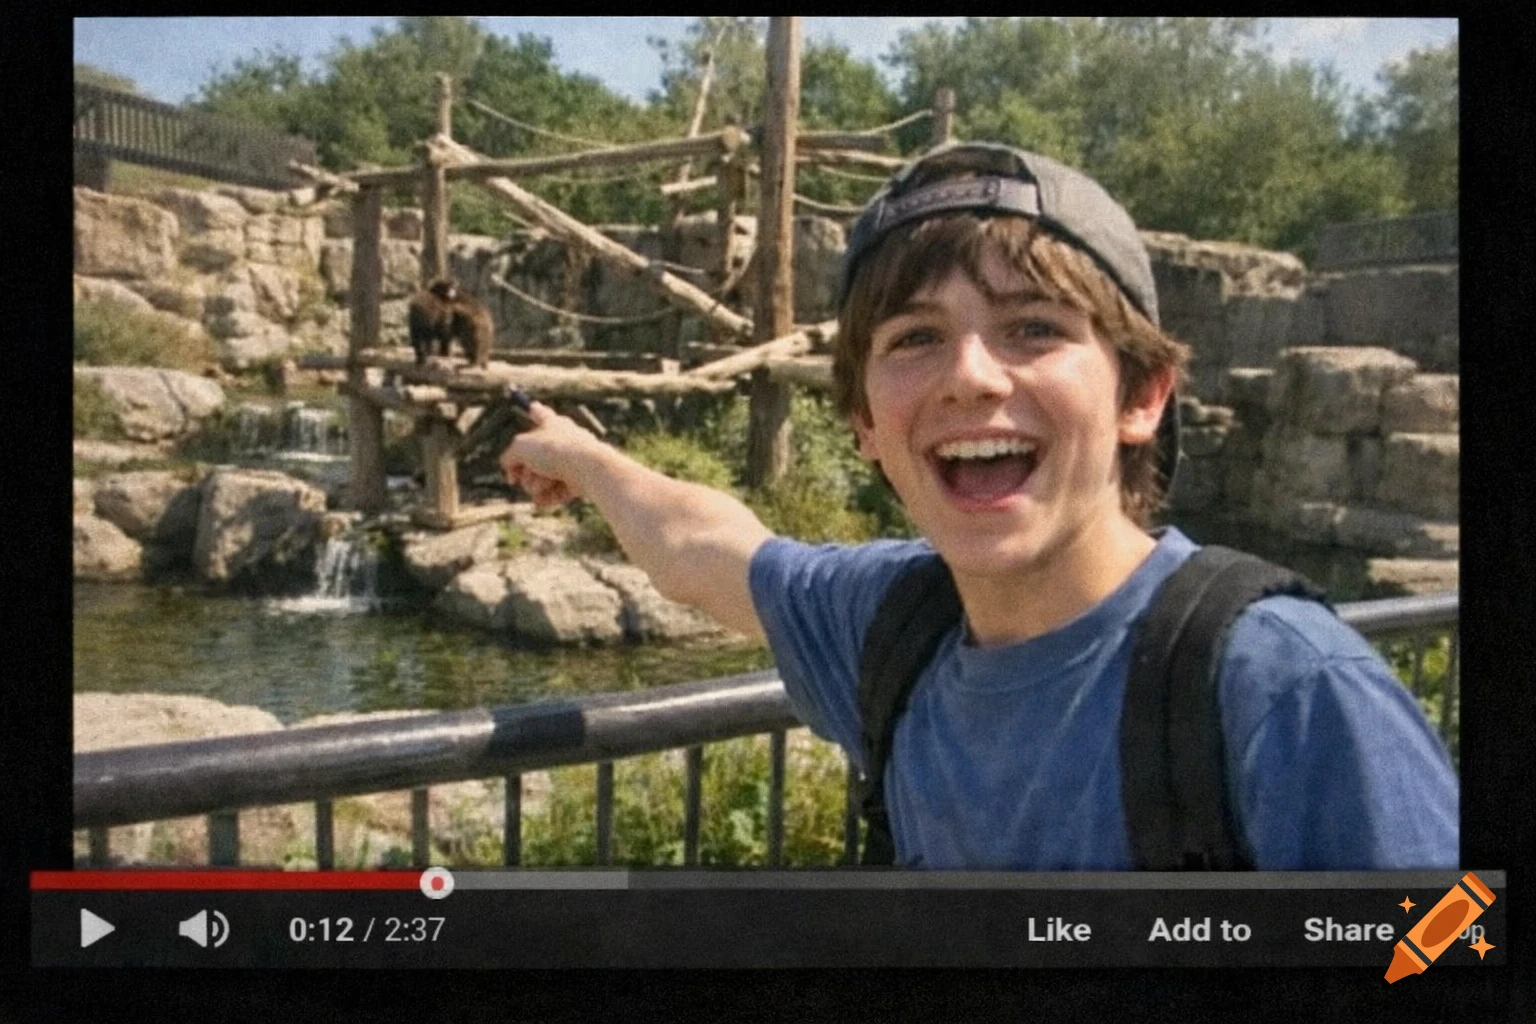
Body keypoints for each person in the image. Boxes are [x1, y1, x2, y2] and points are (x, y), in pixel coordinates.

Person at [500, 140, 1458, 871]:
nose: (969, 376)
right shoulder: (895, 627)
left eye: (1032, 327)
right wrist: (582, 456)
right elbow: (703, 545)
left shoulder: (1280, 692)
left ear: (1141, 396)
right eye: (915, 337)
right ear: (865, 424)